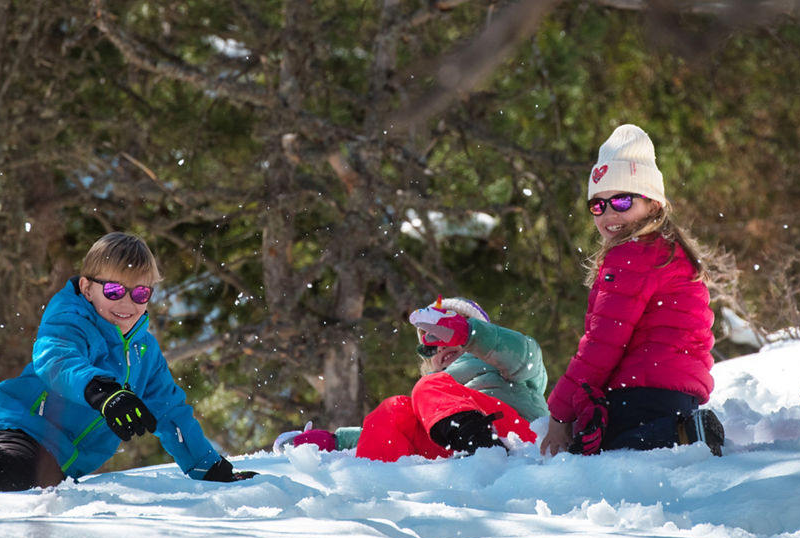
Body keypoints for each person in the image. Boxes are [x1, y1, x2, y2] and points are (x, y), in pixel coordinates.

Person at [0, 232, 253, 500]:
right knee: (17, 471)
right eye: (114, 290)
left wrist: (210, 468)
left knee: (27, 484)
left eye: (140, 293)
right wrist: (101, 390)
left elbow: (171, 413)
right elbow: (56, 358)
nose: (127, 303)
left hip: (59, 463)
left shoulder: (144, 353)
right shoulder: (72, 318)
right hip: (23, 426)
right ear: (87, 287)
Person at [539, 123, 724, 458]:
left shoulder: (633, 255)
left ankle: (682, 434)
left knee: (600, 451)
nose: (609, 213)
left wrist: (560, 413)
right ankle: (682, 428)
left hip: (643, 389)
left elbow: (602, 344)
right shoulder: (663, 250)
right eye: (598, 205)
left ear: (653, 204)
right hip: (671, 391)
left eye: (622, 201)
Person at [278, 296, 548, 462]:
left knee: (429, 387)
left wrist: (471, 334)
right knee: (394, 410)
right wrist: (335, 442)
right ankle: (377, 488)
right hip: (452, 448)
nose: (440, 347)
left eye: (447, 334)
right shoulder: (433, 392)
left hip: (518, 439)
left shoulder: (505, 364)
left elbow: (527, 353)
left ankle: (483, 447)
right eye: (431, 344)